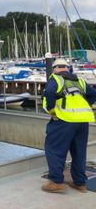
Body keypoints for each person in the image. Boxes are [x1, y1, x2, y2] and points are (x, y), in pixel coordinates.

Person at [41, 58, 96, 193]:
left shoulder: (55, 78)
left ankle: (56, 182)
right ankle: (80, 183)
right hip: (83, 121)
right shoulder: (79, 80)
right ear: (68, 68)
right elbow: (93, 94)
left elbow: (49, 93)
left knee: (54, 149)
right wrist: (85, 105)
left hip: (64, 119)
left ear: (54, 68)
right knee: (79, 152)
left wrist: (52, 110)